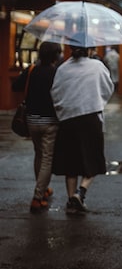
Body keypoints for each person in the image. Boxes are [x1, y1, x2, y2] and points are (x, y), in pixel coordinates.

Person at [51, 38, 114, 214]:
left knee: (71, 162)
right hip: (90, 116)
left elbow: (55, 92)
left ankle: (71, 199)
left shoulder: (63, 68)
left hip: (68, 119)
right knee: (92, 158)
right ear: (89, 49)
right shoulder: (97, 67)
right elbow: (108, 88)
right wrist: (96, 100)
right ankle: (81, 192)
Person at [12, 42, 62, 213]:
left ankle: (43, 187)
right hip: (50, 121)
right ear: (55, 56)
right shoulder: (57, 73)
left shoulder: (32, 70)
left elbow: (15, 86)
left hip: (32, 120)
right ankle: (37, 197)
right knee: (47, 157)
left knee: (38, 154)